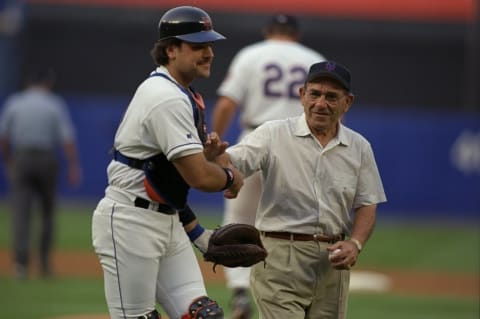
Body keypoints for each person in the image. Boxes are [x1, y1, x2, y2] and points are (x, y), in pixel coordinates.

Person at [91, 6, 244, 319]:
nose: (209, 53)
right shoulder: (167, 97)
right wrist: (229, 178)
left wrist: (197, 232)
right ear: (171, 50)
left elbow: (167, 181)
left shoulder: (182, 93)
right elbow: (199, 177)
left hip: (166, 219)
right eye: (198, 46)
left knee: (204, 315)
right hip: (130, 223)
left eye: (210, 46)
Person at [218, 60, 387, 319]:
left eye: (331, 97)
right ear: (301, 95)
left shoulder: (359, 147)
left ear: (347, 102)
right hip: (280, 256)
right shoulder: (273, 133)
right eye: (315, 94)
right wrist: (216, 163)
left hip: (333, 263)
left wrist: (355, 243)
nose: (321, 103)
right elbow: (231, 161)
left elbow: (367, 202)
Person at [211, 13, 326, 318]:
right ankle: (294, 295)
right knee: (293, 226)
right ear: (296, 34)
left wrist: (214, 144)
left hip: (257, 137)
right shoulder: (314, 60)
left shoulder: (251, 55)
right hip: (302, 145)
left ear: (268, 31)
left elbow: (226, 104)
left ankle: (239, 294)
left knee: (239, 219)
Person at [0, 68, 81, 279]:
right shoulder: (54, 103)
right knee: (47, 213)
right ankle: (44, 265)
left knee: (20, 213)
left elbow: (4, 136)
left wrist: (9, 160)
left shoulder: (15, 102)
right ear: (47, 83)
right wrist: (73, 165)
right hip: (46, 159)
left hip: (22, 157)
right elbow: (67, 138)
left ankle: (21, 265)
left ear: (28, 83)